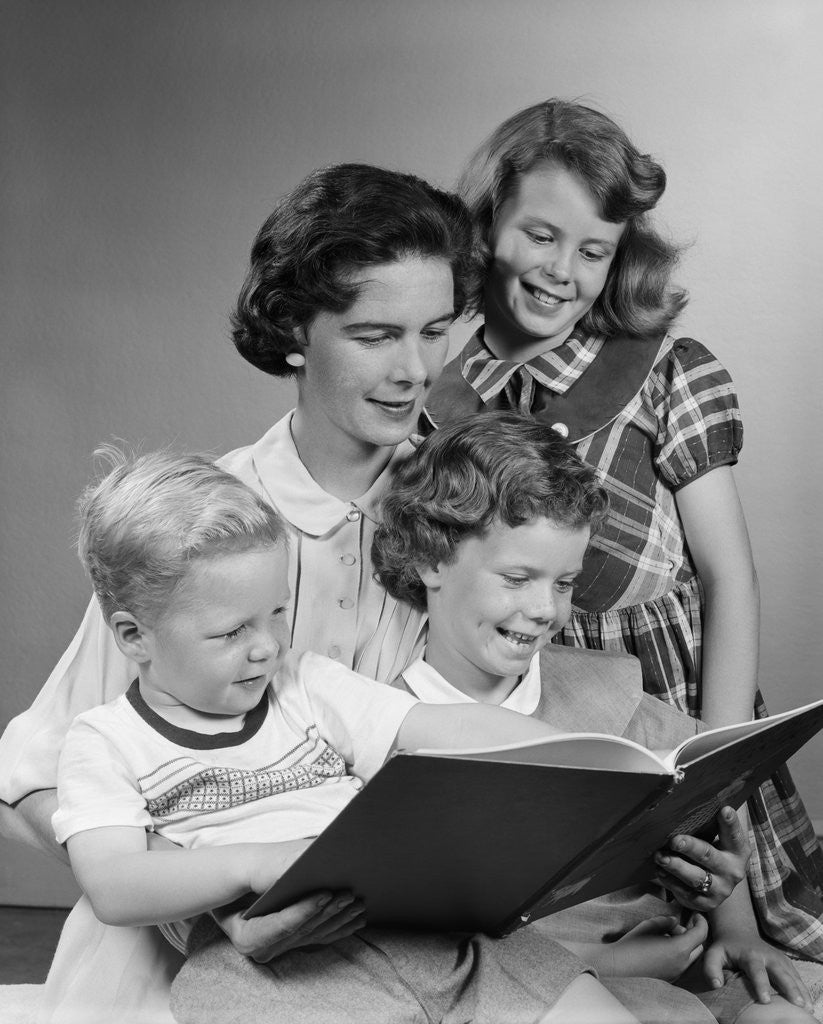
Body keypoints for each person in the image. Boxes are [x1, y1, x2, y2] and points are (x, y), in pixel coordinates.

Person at [0, 162, 482, 1022]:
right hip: (175, 972)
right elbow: (34, 777)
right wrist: (217, 902)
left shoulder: (467, 510)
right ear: (295, 329)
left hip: (402, 949)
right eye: (376, 336)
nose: (416, 370)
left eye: (435, 331)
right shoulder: (205, 526)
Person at [424, 98, 823, 961]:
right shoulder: (437, 392)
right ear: (485, 223)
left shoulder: (660, 374)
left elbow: (728, 580)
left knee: (740, 950)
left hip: (671, 704)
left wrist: (716, 760)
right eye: (539, 234)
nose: (561, 269)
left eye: (592, 250)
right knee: (555, 946)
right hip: (531, 715)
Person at [59, 446, 648, 1024]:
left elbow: (438, 727)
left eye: (276, 614)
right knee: (218, 998)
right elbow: (114, 885)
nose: (266, 646)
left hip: (422, 934)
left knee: (576, 997)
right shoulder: (104, 742)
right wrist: (260, 866)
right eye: (232, 631)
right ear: (134, 636)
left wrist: (590, 760)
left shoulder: (303, 684)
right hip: (273, 973)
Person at [372, 411, 819, 1024]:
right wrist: (608, 967)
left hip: (674, 964)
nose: (542, 609)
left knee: (783, 1018)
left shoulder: (612, 691)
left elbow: (707, 821)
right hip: (537, 994)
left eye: (565, 583)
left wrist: (728, 912)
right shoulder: (385, 725)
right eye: (517, 578)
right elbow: (414, 949)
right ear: (430, 561)